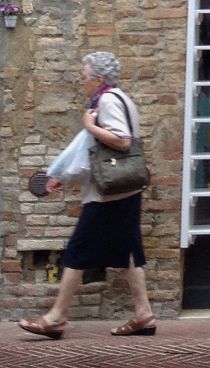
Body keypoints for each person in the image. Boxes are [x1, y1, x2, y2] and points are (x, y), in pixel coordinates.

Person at [19, 51, 156, 340]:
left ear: (98, 78)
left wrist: (90, 126)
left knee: (78, 249)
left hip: (107, 193)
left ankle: (56, 317)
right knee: (129, 251)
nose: (82, 83)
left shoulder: (106, 101)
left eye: (84, 78)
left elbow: (122, 140)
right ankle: (143, 314)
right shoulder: (122, 98)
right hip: (126, 188)